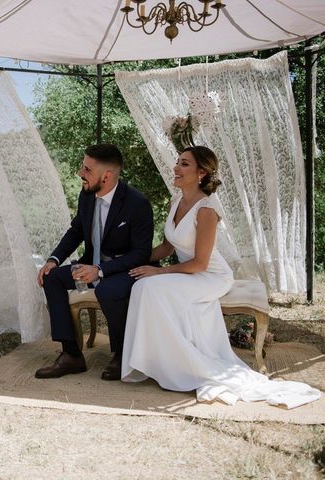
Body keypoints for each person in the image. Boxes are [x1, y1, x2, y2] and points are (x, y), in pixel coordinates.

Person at [122, 145, 320, 408]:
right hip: (187, 273)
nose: (175, 168)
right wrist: (133, 258)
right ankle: (156, 360)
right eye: (177, 162)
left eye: (184, 164)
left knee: (150, 288)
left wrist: (159, 271)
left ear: (201, 173)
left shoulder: (206, 210)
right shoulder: (176, 201)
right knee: (143, 286)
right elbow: (168, 246)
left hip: (209, 276)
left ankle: (183, 364)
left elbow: (201, 263)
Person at [35, 144, 154, 380]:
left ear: (106, 176)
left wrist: (100, 270)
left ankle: (122, 355)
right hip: (91, 265)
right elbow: (76, 231)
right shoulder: (86, 196)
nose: (81, 173)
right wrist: (54, 259)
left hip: (124, 270)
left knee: (108, 290)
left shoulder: (137, 204)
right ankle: (71, 355)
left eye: (87, 169)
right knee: (52, 278)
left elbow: (140, 254)